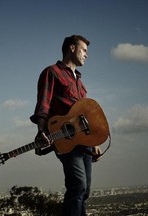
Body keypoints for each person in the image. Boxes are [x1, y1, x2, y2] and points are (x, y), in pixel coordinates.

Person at [30, 35, 101, 216]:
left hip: (85, 143)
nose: (87, 55)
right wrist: (40, 131)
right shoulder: (52, 72)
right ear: (71, 48)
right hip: (65, 140)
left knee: (85, 192)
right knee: (78, 185)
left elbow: (84, 115)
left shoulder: (80, 83)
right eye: (84, 50)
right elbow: (43, 105)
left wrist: (94, 142)